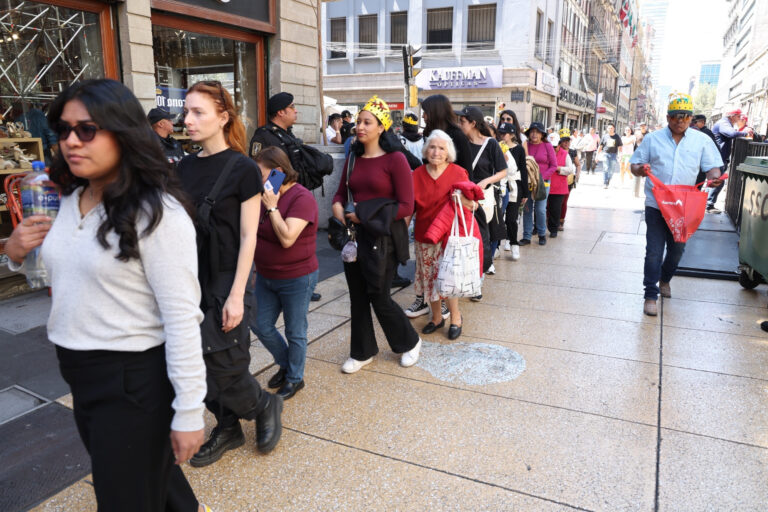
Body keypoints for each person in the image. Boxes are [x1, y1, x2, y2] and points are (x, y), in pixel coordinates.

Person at [5, 79, 209, 511]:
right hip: (79, 370)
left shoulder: (158, 214)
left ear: (124, 133)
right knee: (151, 482)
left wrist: (190, 411)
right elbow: (65, 270)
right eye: (64, 130)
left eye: (87, 130)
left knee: (123, 497)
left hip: (131, 379)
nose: (71, 141)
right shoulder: (68, 196)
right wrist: (16, 253)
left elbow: (182, 318)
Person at [178, 80, 283, 467]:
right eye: (186, 111)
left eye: (198, 112)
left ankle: (264, 405)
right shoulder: (183, 167)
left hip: (227, 278)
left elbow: (248, 236)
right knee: (192, 364)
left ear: (223, 117)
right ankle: (228, 427)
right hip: (190, 278)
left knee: (225, 364)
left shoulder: (242, 169)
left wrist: (238, 295)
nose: (188, 120)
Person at [331, 95, 422, 374]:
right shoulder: (353, 158)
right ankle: (362, 352)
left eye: (367, 122)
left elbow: (407, 205)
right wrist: (338, 208)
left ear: (382, 127)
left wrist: (366, 214)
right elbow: (340, 192)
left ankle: (410, 341)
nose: (360, 126)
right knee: (358, 297)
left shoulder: (396, 159)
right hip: (354, 237)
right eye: (358, 121)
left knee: (379, 295)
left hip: (383, 238)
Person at [630, 92, 723, 316]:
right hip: (656, 205)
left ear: (691, 118)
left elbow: (713, 167)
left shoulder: (702, 140)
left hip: (684, 207)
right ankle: (650, 295)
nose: (680, 121)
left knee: (677, 251)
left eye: (685, 117)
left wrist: (714, 177)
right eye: (675, 116)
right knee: (653, 251)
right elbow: (635, 165)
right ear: (667, 117)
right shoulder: (652, 139)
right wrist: (641, 169)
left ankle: (665, 279)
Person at [250, 146, 318, 400]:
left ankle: (294, 378)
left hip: (297, 277)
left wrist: (272, 207)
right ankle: (287, 363)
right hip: (266, 276)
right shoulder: (263, 194)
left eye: (260, 174)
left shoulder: (302, 198)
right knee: (259, 324)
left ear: (277, 172)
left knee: (295, 330)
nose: (257, 180)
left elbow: (287, 238)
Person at [249, 91, 321, 301]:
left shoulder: (287, 135)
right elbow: (261, 171)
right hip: (277, 197)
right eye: (292, 107)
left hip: (294, 192)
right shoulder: (263, 136)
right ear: (281, 112)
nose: (296, 111)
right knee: (280, 237)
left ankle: (301, 283)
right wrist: (274, 196)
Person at [411, 130, 470, 339]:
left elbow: (472, 204)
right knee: (429, 279)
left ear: (448, 152)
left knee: (449, 279)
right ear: (426, 150)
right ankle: (436, 317)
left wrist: (462, 200)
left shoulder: (459, 173)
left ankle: (455, 317)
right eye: (432, 147)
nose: (436, 152)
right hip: (424, 236)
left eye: (441, 148)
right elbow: (410, 209)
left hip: (449, 237)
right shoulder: (416, 174)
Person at [457, 106, 507, 283]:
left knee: (480, 237)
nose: (459, 124)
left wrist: (486, 181)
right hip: (461, 197)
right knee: (463, 237)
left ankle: (478, 278)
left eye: (462, 121)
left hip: (481, 198)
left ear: (473, 123)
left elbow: (503, 171)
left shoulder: (490, 144)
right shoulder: (459, 143)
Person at [709, 108, 752, 213]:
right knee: (718, 181)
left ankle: (708, 204)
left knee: (717, 181)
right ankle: (708, 205)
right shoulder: (724, 123)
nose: (739, 118)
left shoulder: (726, 123)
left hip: (720, 157)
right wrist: (744, 133)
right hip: (718, 157)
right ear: (732, 116)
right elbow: (731, 133)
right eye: (738, 116)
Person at [521, 122, 557, 246]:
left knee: (540, 210)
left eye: (537, 132)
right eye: (532, 132)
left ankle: (542, 234)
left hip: (543, 182)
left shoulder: (547, 146)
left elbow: (554, 166)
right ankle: (527, 236)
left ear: (542, 134)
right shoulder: (525, 145)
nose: (534, 134)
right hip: (527, 181)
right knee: (527, 209)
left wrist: (541, 178)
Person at [496, 121, 527, 260]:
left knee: (511, 218)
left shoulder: (519, 149)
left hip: (515, 185)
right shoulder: (496, 146)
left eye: (505, 133)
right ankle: (496, 246)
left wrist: (525, 192)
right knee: (499, 218)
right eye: (501, 133)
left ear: (512, 134)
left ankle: (514, 244)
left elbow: (523, 170)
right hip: (500, 184)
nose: (503, 135)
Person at [421, 94, 473, 172]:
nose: (423, 116)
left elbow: (467, 170)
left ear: (436, 113)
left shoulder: (457, 135)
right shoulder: (429, 133)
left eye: (425, 112)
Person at [547, 129, 576, 237]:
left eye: (555, 146)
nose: (553, 149)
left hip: (559, 187)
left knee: (556, 209)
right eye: (551, 146)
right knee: (545, 208)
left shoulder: (565, 154)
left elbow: (570, 169)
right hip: (545, 185)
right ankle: (541, 226)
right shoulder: (545, 152)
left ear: (559, 145)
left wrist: (558, 168)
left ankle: (554, 229)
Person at [597, 124, 622, 188]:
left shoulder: (617, 137)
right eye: (609, 128)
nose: (610, 129)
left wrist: (620, 156)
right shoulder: (604, 136)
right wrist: (597, 155)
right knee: (606, 168)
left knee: (611, 170)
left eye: (611, 128)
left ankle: (608, 179)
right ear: (607, 129)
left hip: (613, 154)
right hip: (605, 154)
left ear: (614, 129)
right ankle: (605, 182)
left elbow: (620, 147)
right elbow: (600, 146)